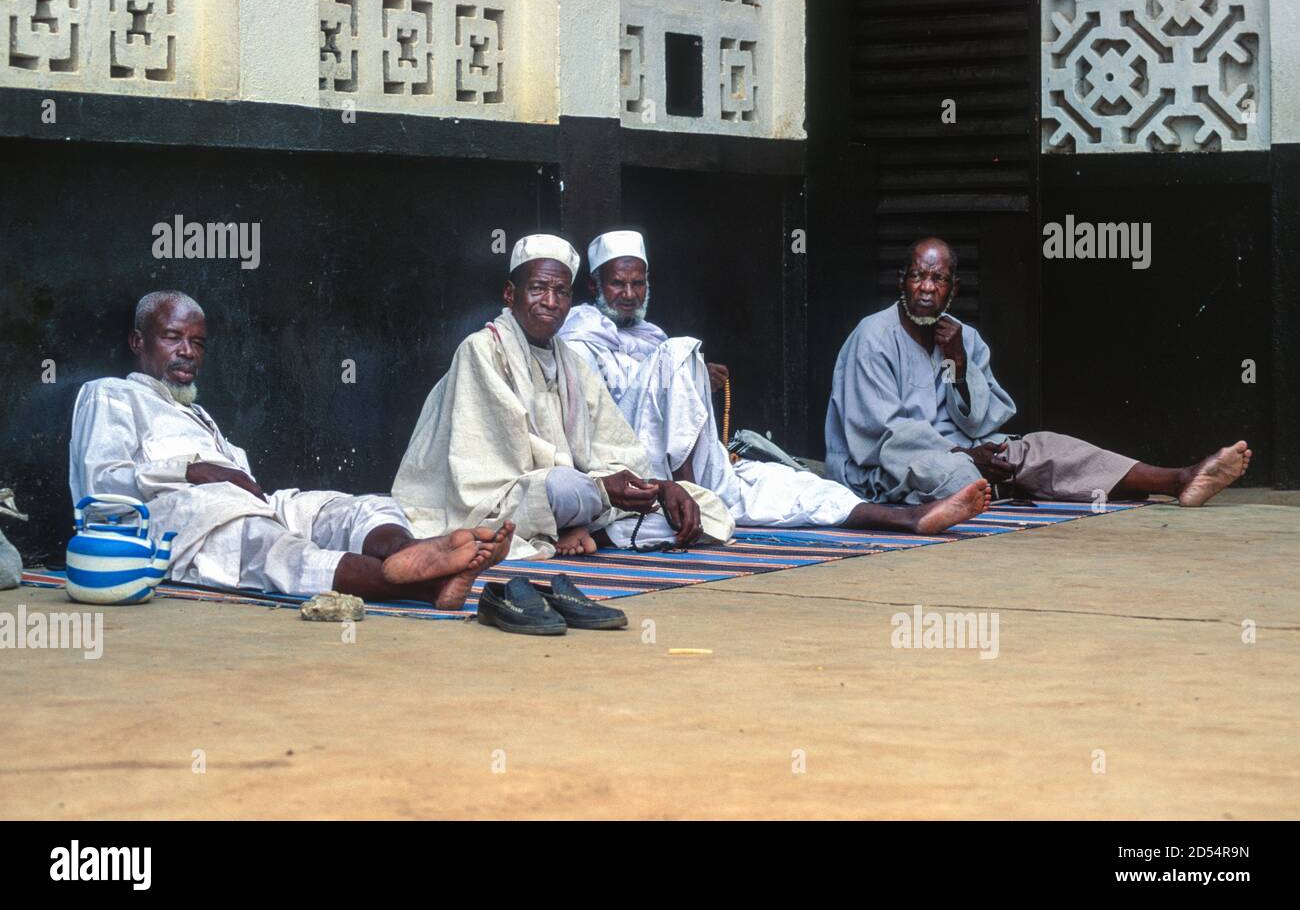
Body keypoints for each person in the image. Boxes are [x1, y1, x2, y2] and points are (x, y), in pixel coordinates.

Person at [69, 291, 511, 610]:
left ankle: (411, 551)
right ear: (137, 342)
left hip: (249, 504)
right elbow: (100, 485)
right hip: (183, 521)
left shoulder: (197, 413)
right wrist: (193, 471)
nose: (187, 352)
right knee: (280, 551)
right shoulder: (108, 394)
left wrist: (222, 475)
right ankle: (420, 585)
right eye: (172, 337)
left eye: (198, 342)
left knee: (351, 508)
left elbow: (239, 483)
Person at [557, 230, 989, 534]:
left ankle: (911, 519)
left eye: (638, 283)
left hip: (704, 465)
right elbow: (604, 417)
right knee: (682, 351)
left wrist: (689, 379)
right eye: (618, 284)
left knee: (799, 485)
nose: (629, 294)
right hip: (641, 471)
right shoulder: (579, 340)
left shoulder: (650, 336)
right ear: (596, 285)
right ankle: (693, 492)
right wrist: (679, 371)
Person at [825, 237, 1252, 506]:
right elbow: (884, 436)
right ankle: (1010, 482)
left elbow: (980, 421)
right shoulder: (873, 336)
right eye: (917, 276)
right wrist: (964, 455)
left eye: (937, 279)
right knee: (953, 473)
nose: (925, 288)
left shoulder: (963, 338)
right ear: (902, 281)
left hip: (966, 452)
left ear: (953, 289)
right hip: (890, 466)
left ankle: (1179, 479)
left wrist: (958, 364)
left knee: (1046, 447)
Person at [392, 234, 734, 558]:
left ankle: (591, 534)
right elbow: (494, 470)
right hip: (499, 500)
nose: (551, 302)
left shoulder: (569, 360)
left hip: (582, 499)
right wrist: (600, 488)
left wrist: (656, 487)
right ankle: (574, 528)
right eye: (538, 289)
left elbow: (614, 446)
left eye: (561, 292)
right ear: (510, 294)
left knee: (700, 505)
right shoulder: (481, 350)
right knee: (564, 487)